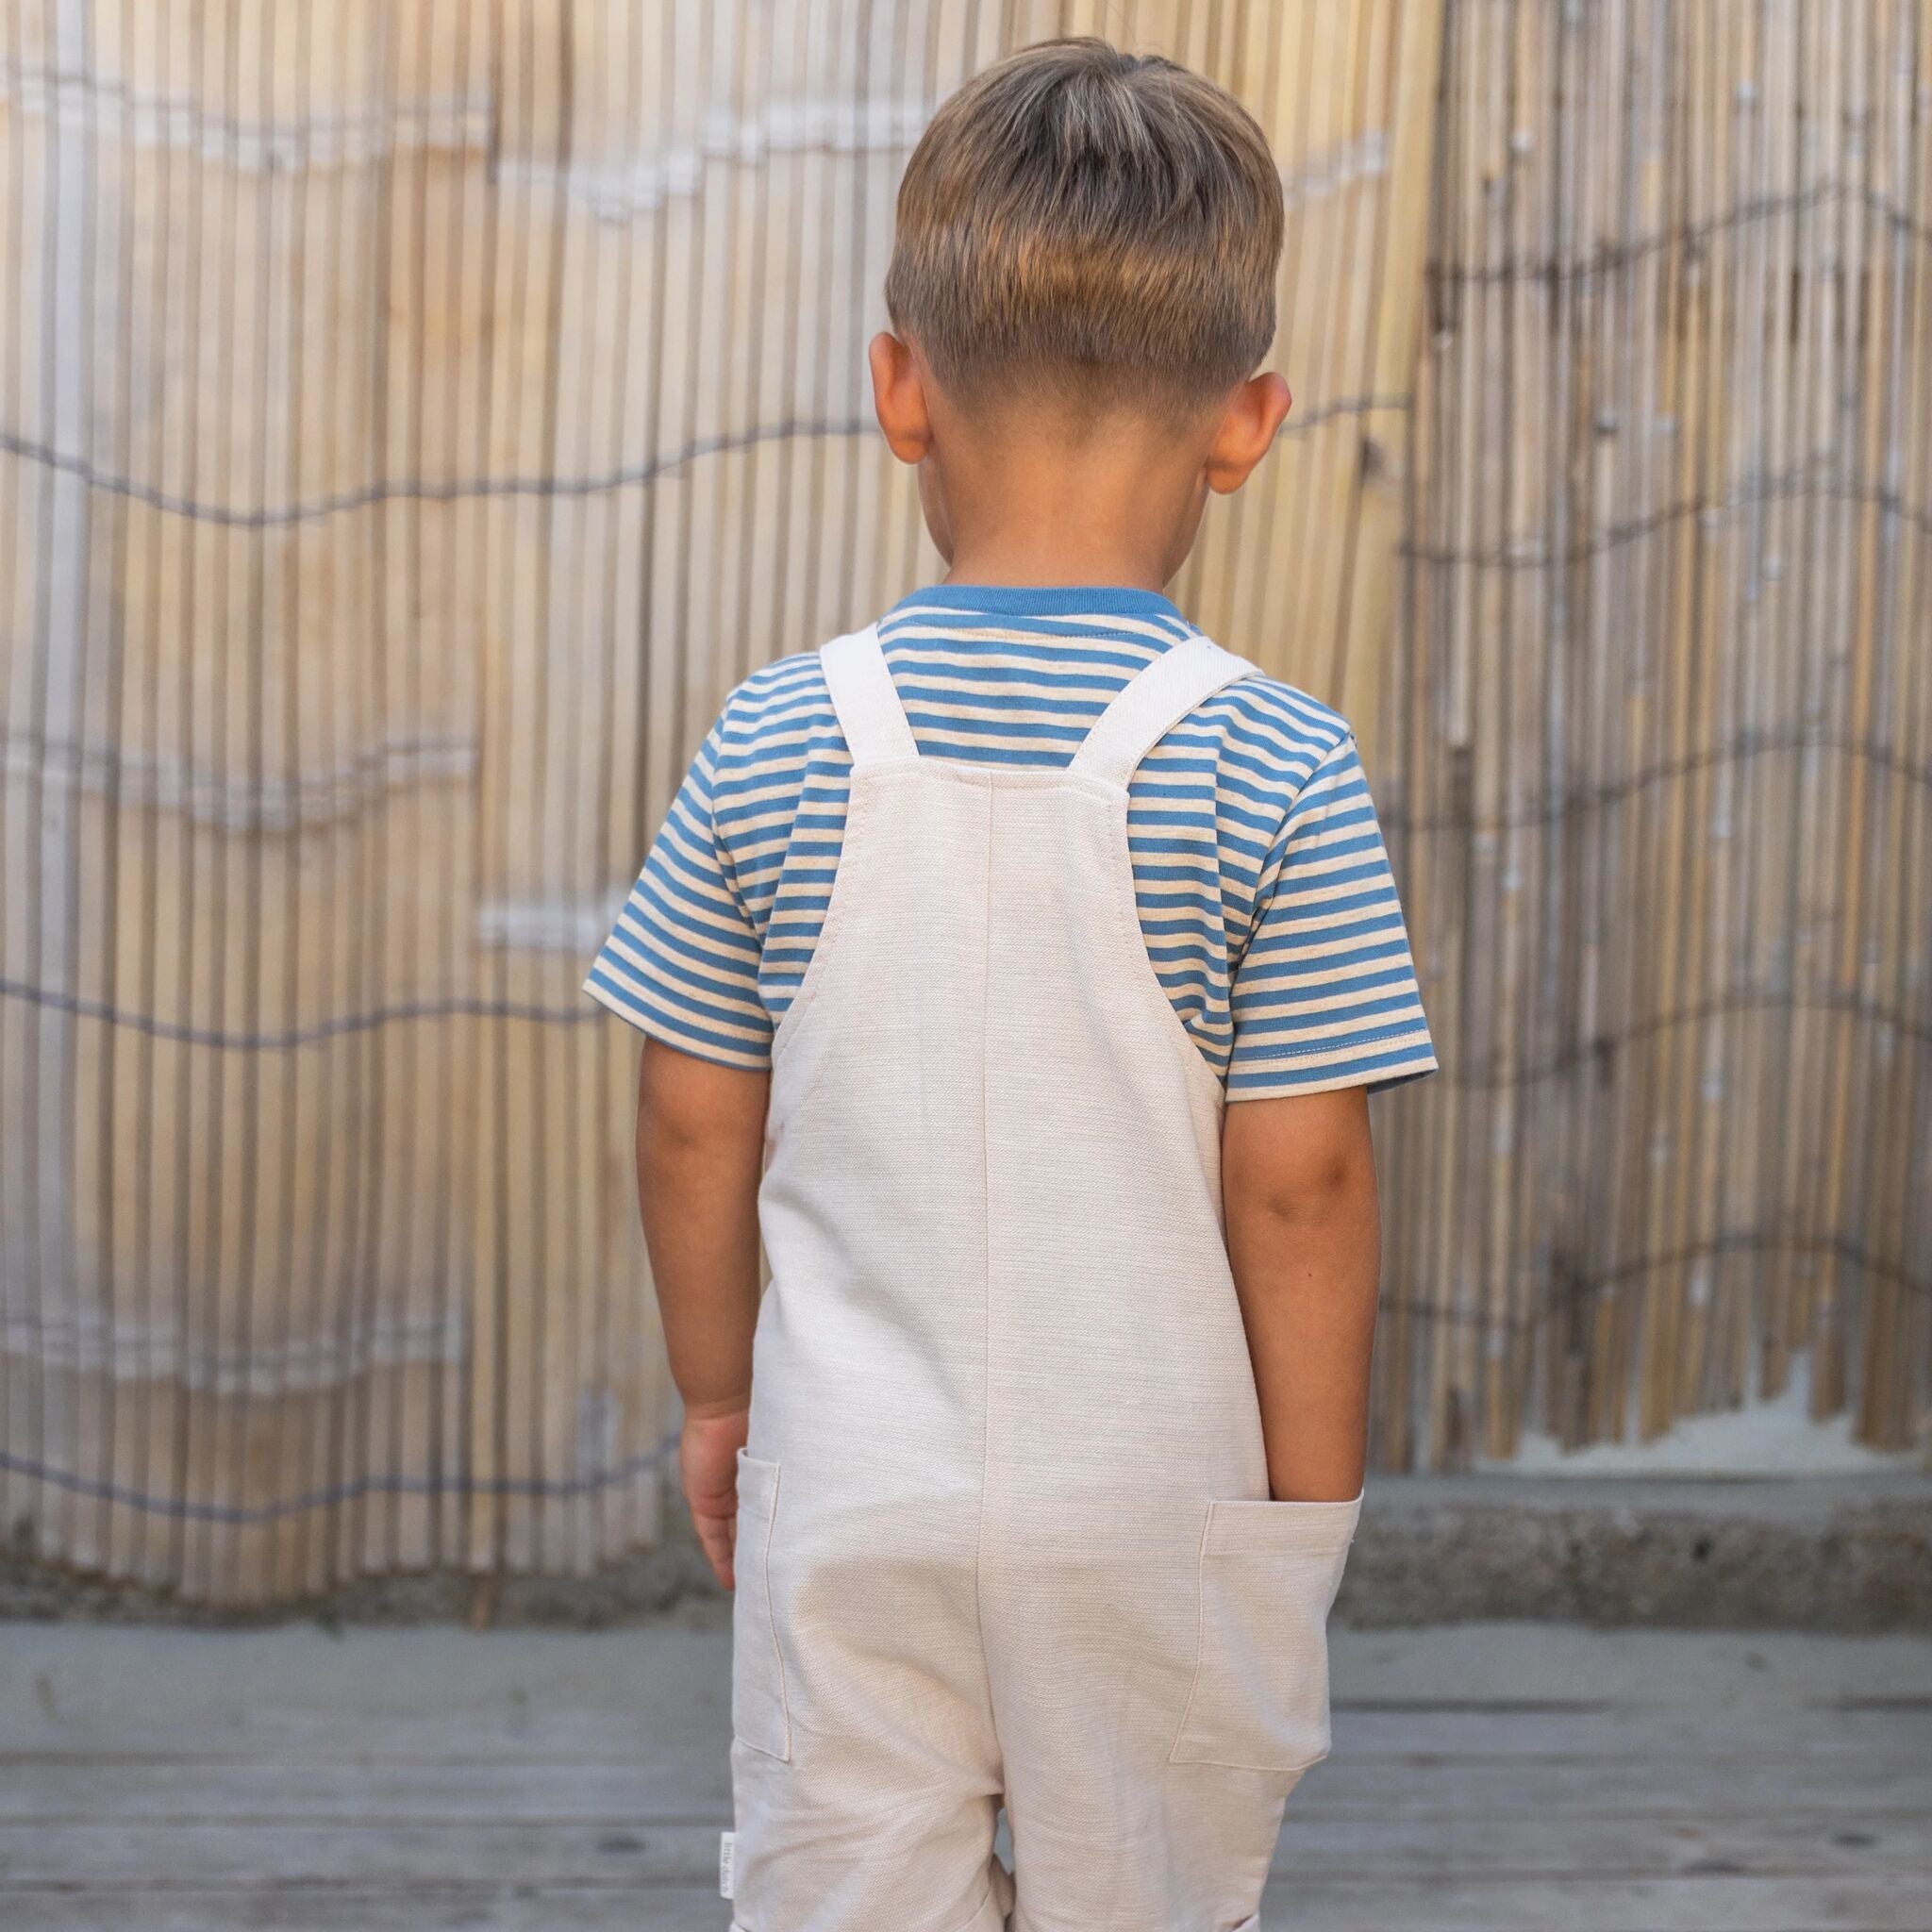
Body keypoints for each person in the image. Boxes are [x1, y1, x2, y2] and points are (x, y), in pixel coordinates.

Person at [586, 38, 1436, 1932]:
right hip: (1152, 1509)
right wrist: (1302, 1504)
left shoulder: (772, 736)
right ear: (1247, 420)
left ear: (901, 388)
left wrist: (719, 1399)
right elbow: (1300, 1183)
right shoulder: (1276, 764)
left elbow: (688, 1112)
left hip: (855, 1487)